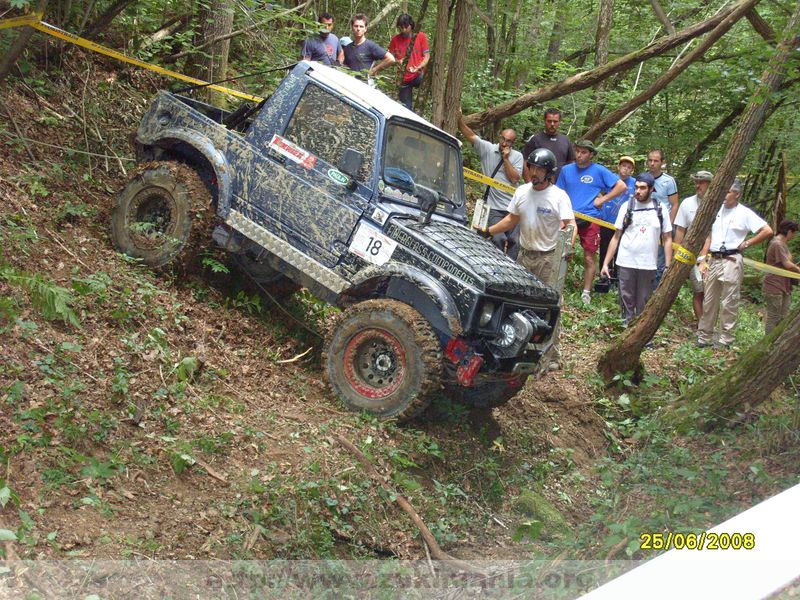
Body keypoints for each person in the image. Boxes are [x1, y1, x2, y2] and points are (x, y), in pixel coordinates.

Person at [477, 148, 576, 370]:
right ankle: (516, 345)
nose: (534, 172)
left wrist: (566, 248)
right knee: (520, 301)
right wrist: (488, 230)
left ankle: (550, 354)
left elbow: (570, 225)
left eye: (540, 169)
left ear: (549, 173)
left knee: (550, 306)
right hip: (524, 254)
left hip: (549, 258)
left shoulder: (559, 196)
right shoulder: (522, 191)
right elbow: (512, 219)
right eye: (532, 167)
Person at [697, 179, 773, 348]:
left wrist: (747, 243)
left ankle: (726, 339)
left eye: (728, 192)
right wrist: (703, 259)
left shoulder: (744, 213)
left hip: (732, 259)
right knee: (709, 300)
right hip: (714, 259)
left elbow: (767, 230)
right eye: (723, 191)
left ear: (737, 194)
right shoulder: (715, 210)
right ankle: (704, 336)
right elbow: (708, 236)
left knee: (729, 301)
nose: (724, 195)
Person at [555, 139, 627, 305]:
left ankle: (586, 292)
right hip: (568, 216)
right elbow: (558, 193)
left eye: (584, 152)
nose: (580, 155)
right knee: (562, 252)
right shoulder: (566, 170)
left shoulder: (599, 170)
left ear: (591, 154)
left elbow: (621, 186)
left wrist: (604, 200)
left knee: (589, 256)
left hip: (591, 217)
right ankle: (558, 286)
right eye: (578, 151)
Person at [601, 173, 672, 326]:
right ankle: (627, 328)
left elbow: (667, 238)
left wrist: (668, 265)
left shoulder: (660, 209)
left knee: (644, 299)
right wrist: (606, 263)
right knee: (626, 297)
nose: (638, 191)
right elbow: (616, 236)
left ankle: (640, 331)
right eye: (636, 187)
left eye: (643, 188)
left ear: (651, 189)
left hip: (648, 263)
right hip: (626, 260)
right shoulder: (627, 207)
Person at [458, 111, 523, 258]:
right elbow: (471, 136)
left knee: (514, 241)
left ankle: (510, 268)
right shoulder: (488, 149)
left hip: (512, 207)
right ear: (499, 137)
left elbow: (514, 179)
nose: (504, 143)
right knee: (498, 238)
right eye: (503, 139)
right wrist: (459, 120)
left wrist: (506, 159)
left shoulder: (517, 157)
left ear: (513, 143)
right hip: (494, 207)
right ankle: (495, 265)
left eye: (509, 141)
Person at [673, 170, 713, 322]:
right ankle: (701, 324)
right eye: (696, 181)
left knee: (712, 292)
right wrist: (677, 255)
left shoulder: (720, 204)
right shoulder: (687, 203)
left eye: (702, 182)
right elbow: (680, 230)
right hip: (692, 254)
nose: (698, 185)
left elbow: (712, 234)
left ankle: (711, 325)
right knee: (699, 290)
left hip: (714, 254)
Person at [598, 156, 636, 282]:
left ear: (632, 171)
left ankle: (617, 279)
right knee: (604, 248)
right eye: (624, 166)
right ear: (619, 167)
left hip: (623, 224)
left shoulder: (635, 183)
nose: (626, 169)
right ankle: (604, 277)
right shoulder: (610, 178)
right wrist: (600, 199)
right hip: (606, 220)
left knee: (621, 251)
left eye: (629, 167)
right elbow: (595, 189)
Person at [647, 149, 678, 284]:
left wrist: (669, 226)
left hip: (663, 224)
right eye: (650, 160)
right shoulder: (643, 178)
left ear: (662, 163)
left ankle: (656, 290)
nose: (652, 163)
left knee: (660, 259)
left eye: (656, 161)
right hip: (646, 223)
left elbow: (675, 204)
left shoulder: (668, 181)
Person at [763, 219, 800, 334]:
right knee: (774, 317)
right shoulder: (777, 243)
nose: (793, 236)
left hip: (784, 285)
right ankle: (767, 343)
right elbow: (787, 264)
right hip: (774, 285)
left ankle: (776, 343)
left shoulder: (783, 244)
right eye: (793, 233)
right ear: (789, 231)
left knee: (783, 317)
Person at [387, 14, 429, 111]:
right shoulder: (395, 40)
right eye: (401, 27)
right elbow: (389, 57)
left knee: (429, 83)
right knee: (406, 109)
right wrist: (398, 61)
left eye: (406, 27)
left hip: (419, 74)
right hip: (403, 78)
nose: (404, 30)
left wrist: (418, 67)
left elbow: (427, 56)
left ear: (411, 25)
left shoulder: (420, 36)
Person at [522, 108, 575, 183]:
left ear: (559, 122)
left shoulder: (565, 140)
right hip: (539, 184)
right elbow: (525, 162)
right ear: (545, 121)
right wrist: (529, 183)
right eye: (549, 121)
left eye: (555, 121)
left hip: (560, 185)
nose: (552, 124)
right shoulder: (535, 139)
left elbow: (571, 163)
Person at [342, 14, 395, 78]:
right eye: (356, 26)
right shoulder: (348, 48)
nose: (358, 29)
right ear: (352, 28)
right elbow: (345, 66)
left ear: (365, 29)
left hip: (365, 84)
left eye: (361, 26)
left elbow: (391, 59)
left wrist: (374, 70)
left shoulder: (370, 46)